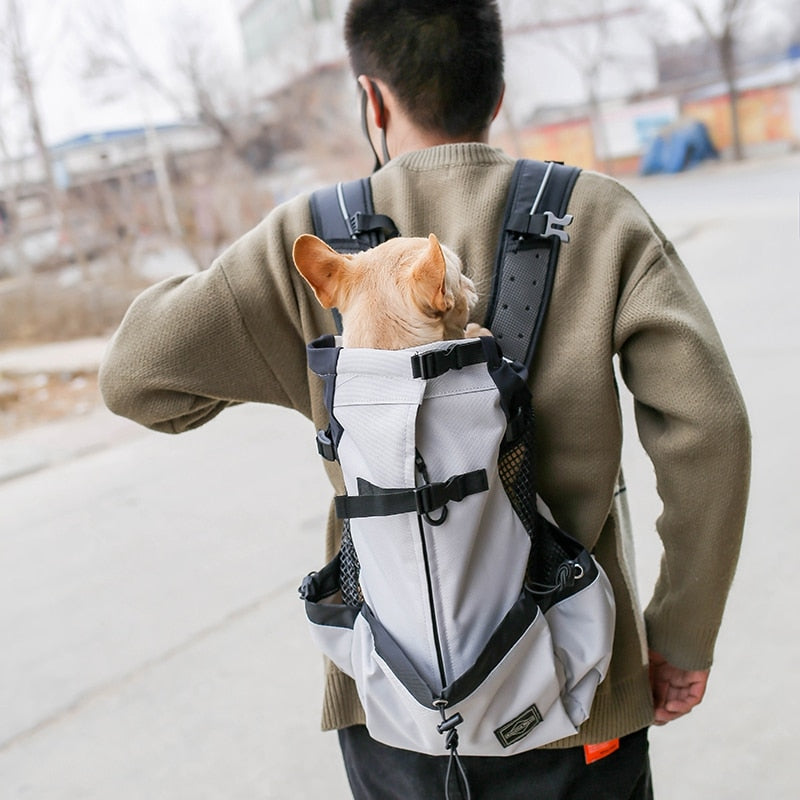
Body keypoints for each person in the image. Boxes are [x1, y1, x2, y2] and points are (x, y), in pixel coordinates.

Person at [99, 1, 751, 797]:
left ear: (371, 99)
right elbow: (709, 426)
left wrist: (276, 351)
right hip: (581, 700)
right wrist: (682, 634)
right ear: (498, 92)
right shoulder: (600, 215)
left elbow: (137, 379)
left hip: (391, 707)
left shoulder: (306, 239)